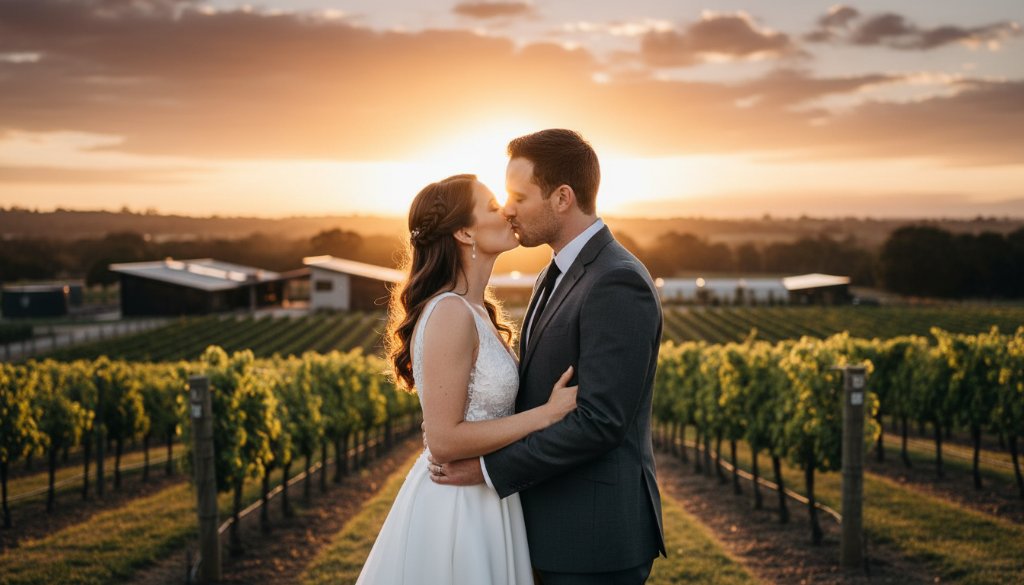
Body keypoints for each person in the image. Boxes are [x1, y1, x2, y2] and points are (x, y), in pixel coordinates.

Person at [429, 129, 667, 585]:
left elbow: (600, 421)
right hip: (547, 526)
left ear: (562, 198)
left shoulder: (616, 281)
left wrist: (486, 469)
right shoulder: (554, 272)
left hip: (592, 537)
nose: (509, 207)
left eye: (519, 195)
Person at [355, 173, 578, 585]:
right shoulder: (450, 313)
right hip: (458, 508)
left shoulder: (477, 311)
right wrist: (545, 416)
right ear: (463, 231)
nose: (508, 211)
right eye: (493, 207)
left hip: (490, 495)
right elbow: (443, 440)